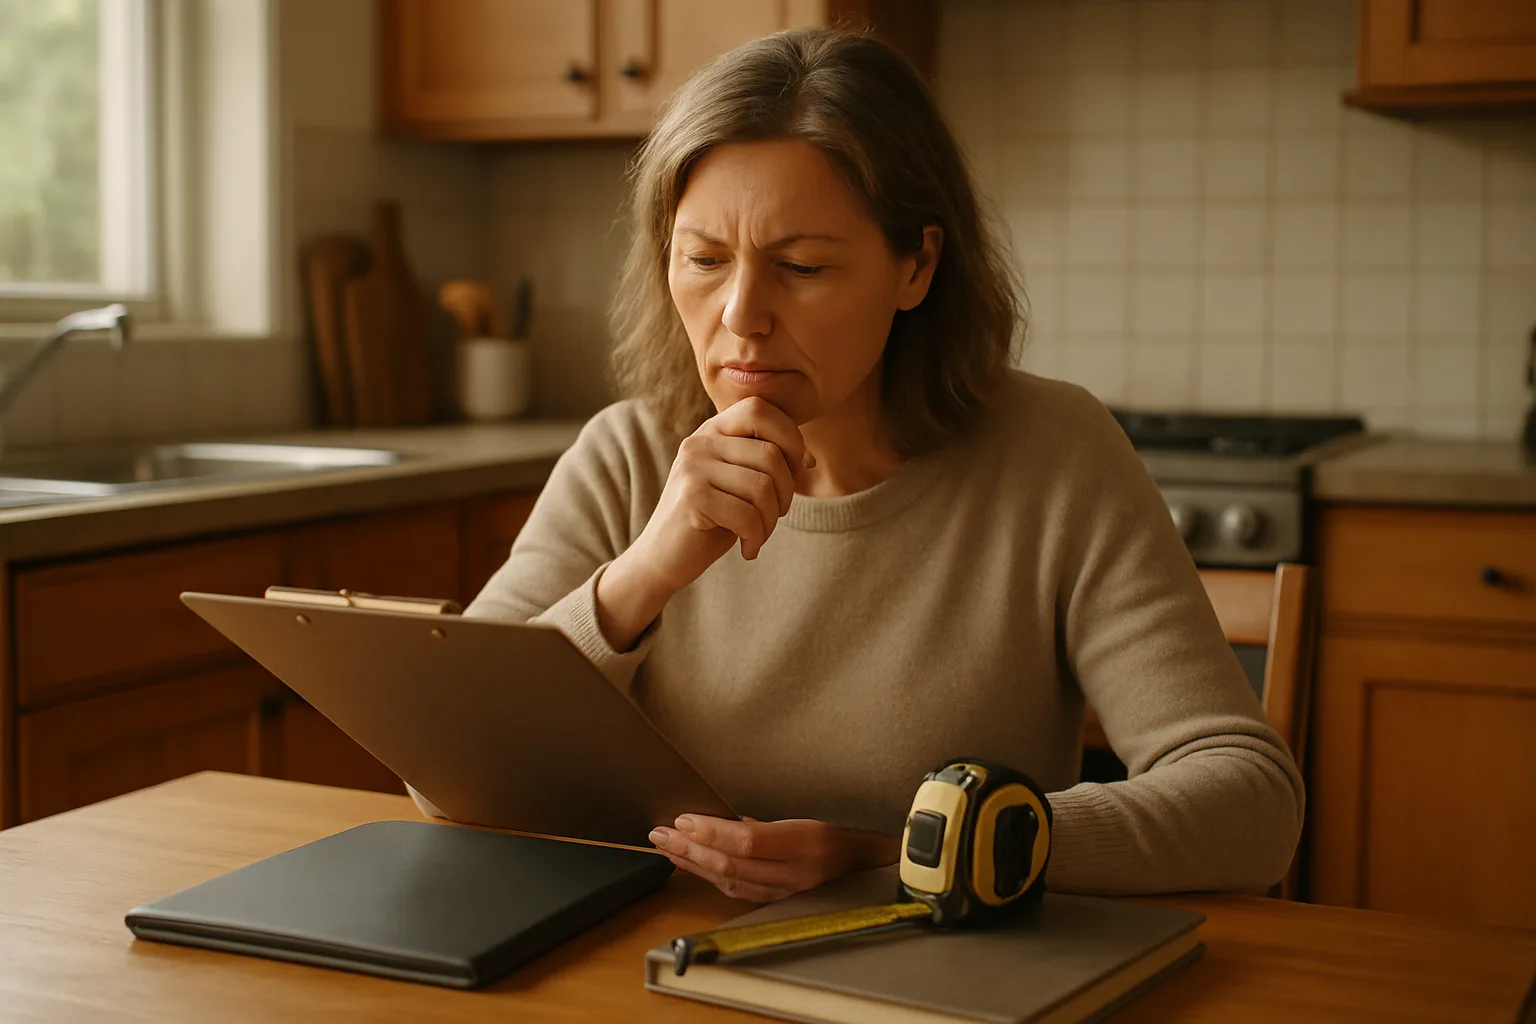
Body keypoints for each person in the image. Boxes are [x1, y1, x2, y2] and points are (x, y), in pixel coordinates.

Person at [450, 27, 1304, 903]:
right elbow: (444, 764)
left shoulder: (1054, 456)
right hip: (646, 968)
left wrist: (895, 854)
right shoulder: (624, 456)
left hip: (946, 972)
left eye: (802, 265)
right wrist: (640, 577)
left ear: (917, 265)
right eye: (704, 260)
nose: (741, 315)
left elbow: (1249, 803)